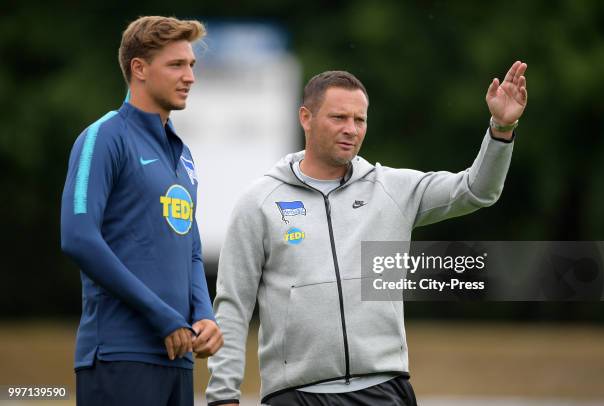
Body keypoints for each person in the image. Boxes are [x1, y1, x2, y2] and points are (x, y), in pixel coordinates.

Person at [205, 63, 527, 406]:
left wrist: (501, 128)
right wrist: (223, 395)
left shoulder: (391, 189)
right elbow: (232, 306)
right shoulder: (259, 202)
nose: (351, 129)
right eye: (339, 118)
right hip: (295, 394)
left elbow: (476, 190)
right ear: (305, 117)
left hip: (383, 389)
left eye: (359, 120)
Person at [61, 16, 223, 406]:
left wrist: (203, 313)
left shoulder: (182, 154)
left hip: (178, 358)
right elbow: (78, 238)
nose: (190, 77)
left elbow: (192, 248)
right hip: (119, 356)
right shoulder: (103, 137)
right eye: (176, 65)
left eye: (192, 66)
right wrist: (162, 316)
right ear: (139, 69)